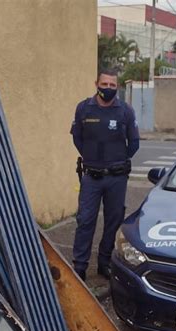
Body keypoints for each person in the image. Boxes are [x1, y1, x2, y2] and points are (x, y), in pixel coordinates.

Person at [70, 68, 140, 281]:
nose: (108, 88)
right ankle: (80, 266)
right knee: (85, 220)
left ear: (116, 87)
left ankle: (104, 262)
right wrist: (93, 159)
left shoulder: (125, 111)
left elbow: (134, 144)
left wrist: (116, 161)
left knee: (113, 221)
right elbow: (77, 139)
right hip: (91, 177)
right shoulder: (84, 108)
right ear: (96, 84)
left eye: (112, 85)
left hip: (116, 178)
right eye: (104, 84)